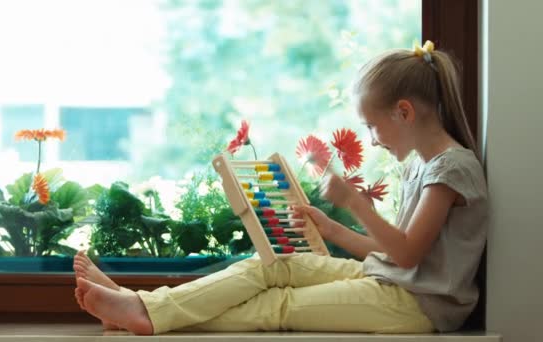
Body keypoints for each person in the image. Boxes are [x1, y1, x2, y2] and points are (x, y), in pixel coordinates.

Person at [73, 40, 488, 335]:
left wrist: (357, 206)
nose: (373, 138)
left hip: (418, 307)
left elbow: (408, 253)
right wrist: (332, 228)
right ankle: (144, 307)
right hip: (393, 281)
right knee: (277, 263)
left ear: (404, 112)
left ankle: (145, 313)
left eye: (372, 126)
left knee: (278, 306)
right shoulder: (424, 164)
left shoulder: (451, 170)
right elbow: (394, 255)